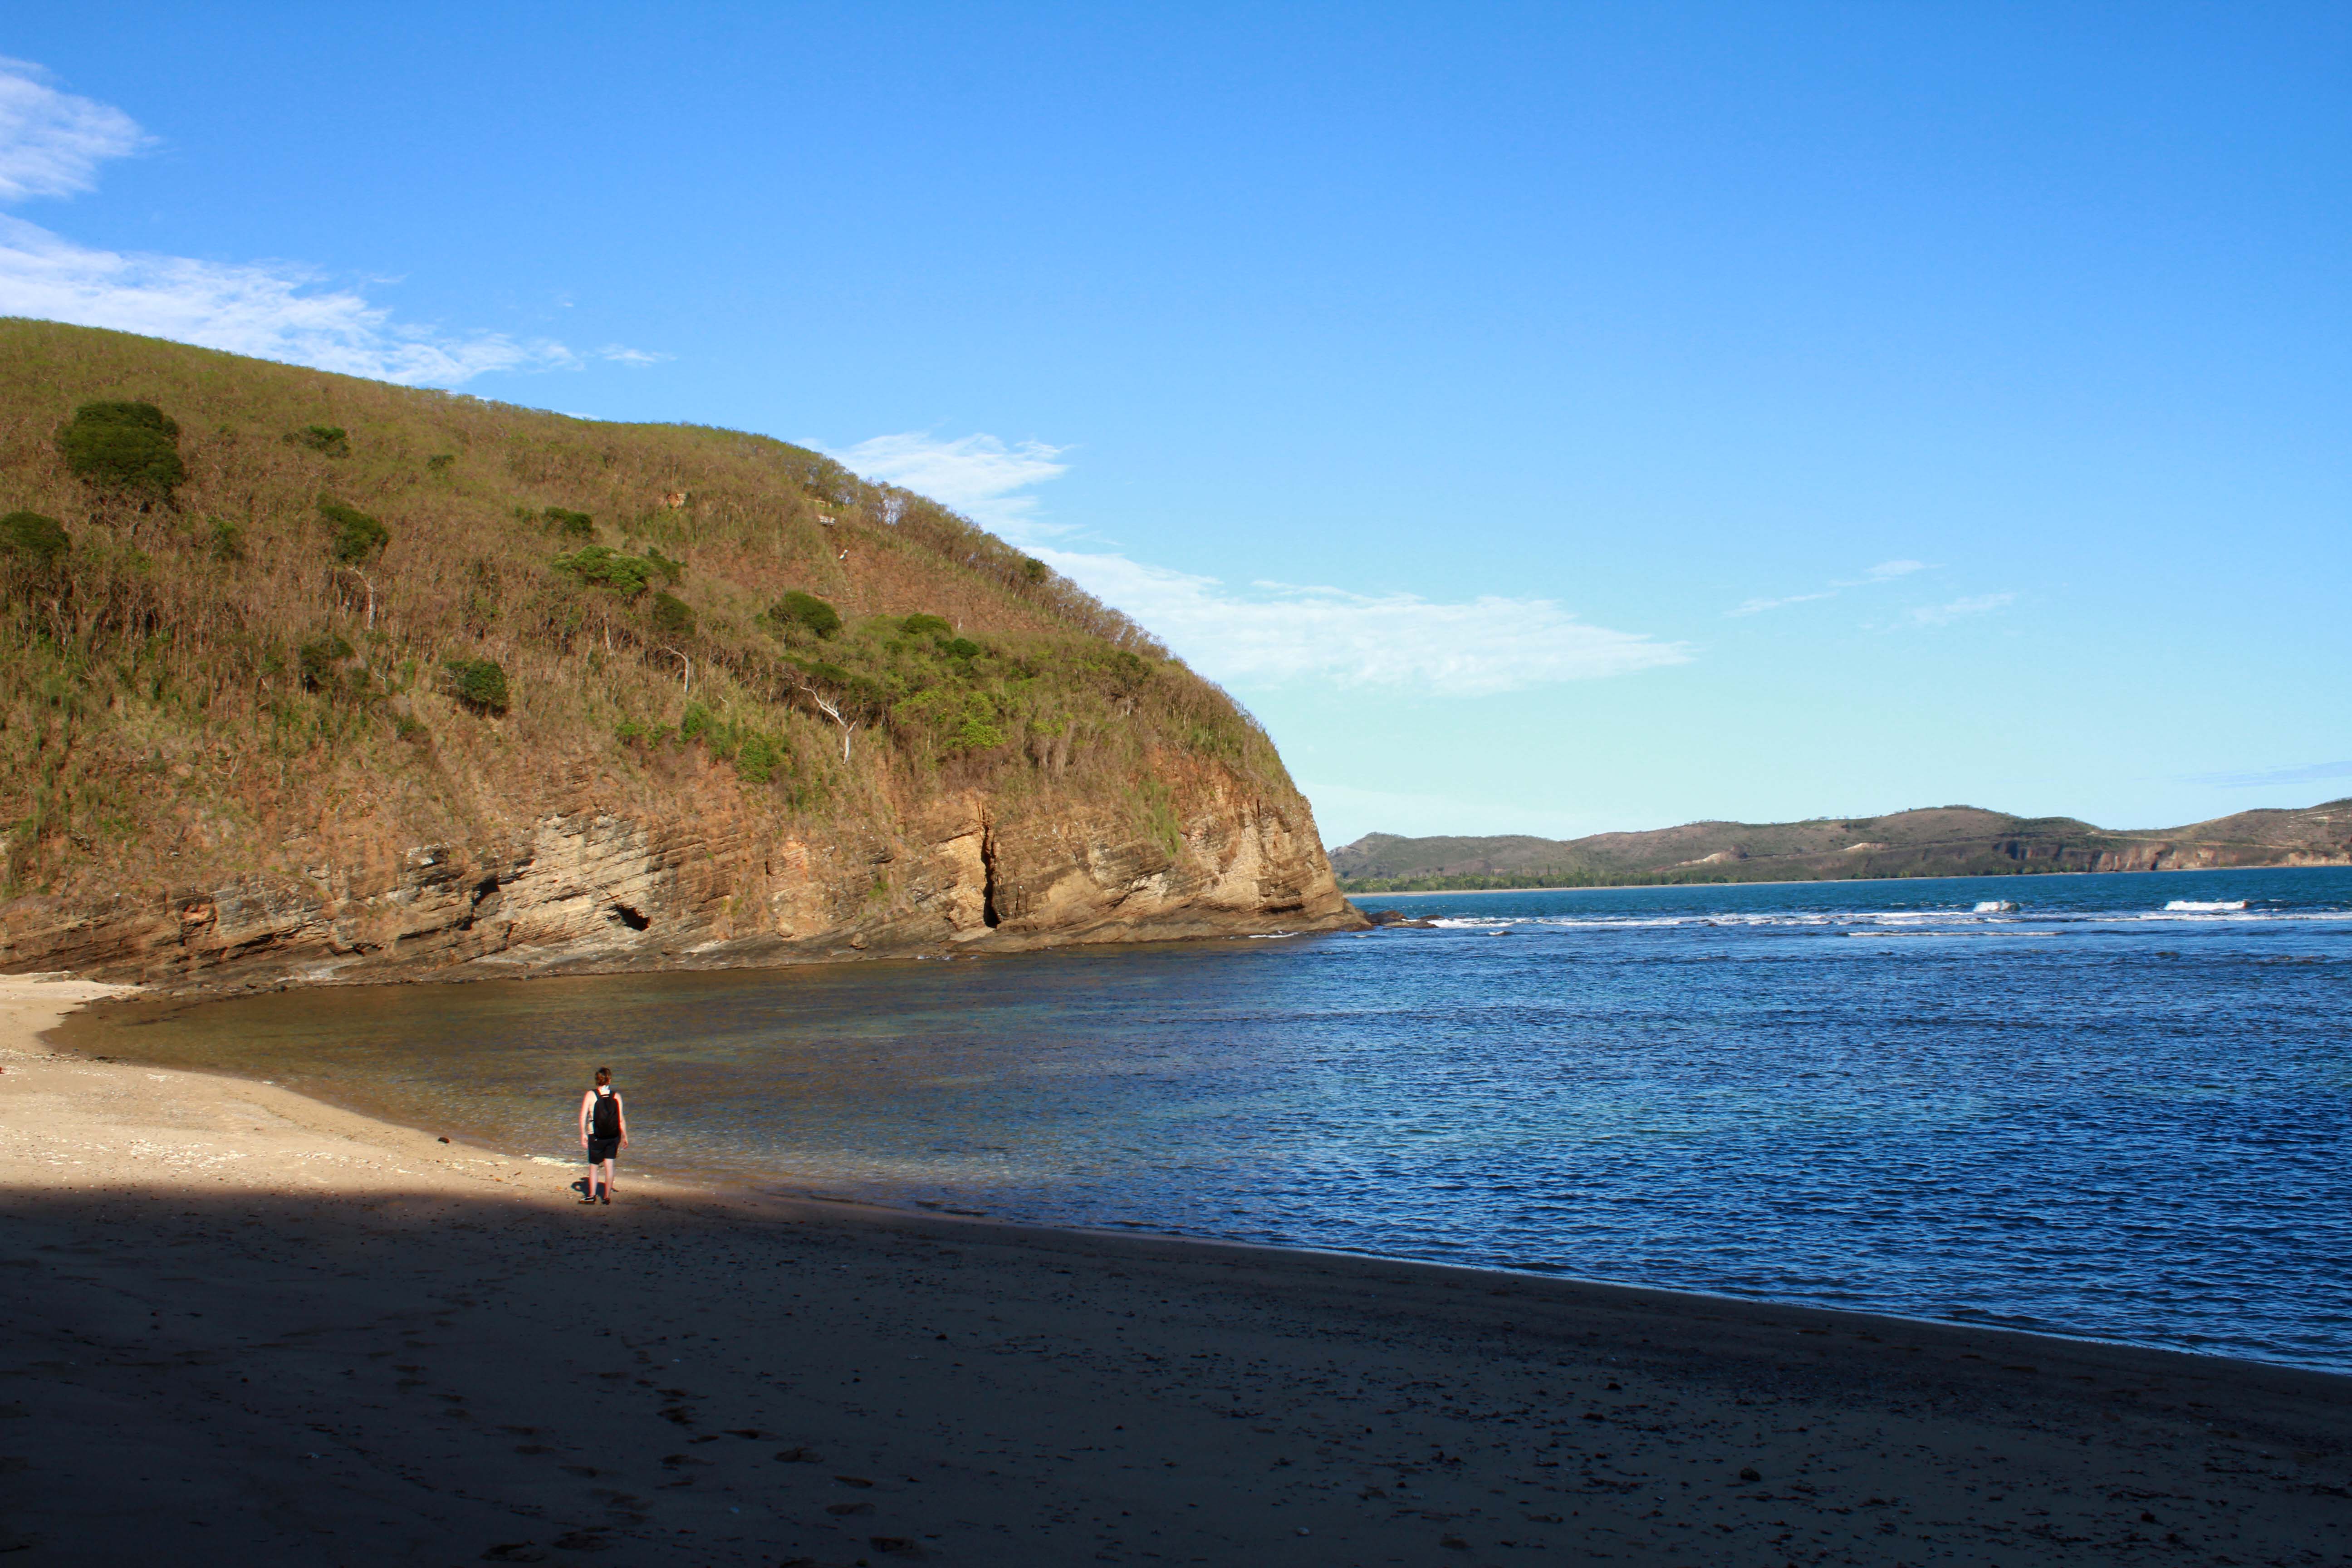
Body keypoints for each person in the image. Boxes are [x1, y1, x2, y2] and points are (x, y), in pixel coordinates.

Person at [577, 1067, 628, 1205]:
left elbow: (582, 1117)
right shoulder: (617, 1096)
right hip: (613, 1135)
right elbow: (621, 1119)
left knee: (594, 1166)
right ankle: (606, 1197)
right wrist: (625, 1136)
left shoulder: (590, 1095)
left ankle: (591, 1196)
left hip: (595, 1135)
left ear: (597, 1080)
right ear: (609, 1079)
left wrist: (583, 1134)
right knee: (610, 1165)